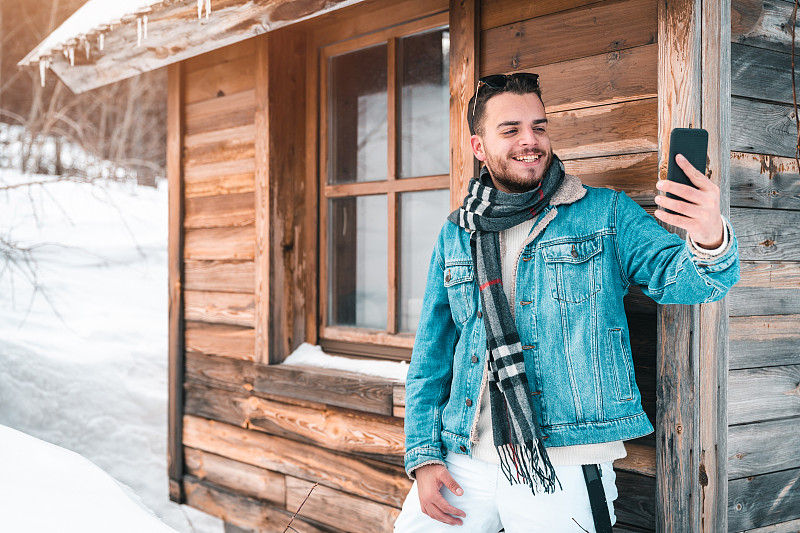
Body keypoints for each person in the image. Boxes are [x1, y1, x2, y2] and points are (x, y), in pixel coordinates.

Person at [393, 73, 740, 532]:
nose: (530, 141)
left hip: (564, 460)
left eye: (539, 126)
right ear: (479, 147)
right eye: (510, 129)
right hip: (463, 457)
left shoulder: (605, 213)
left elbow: (689, 282)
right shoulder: (457, 232)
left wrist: (709, 235)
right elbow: (431, 355)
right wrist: (422, 456)